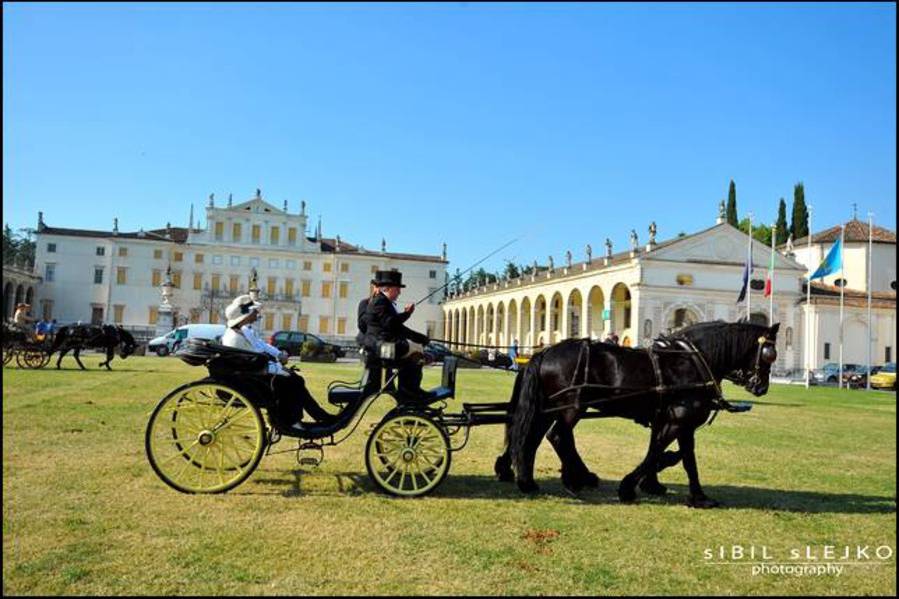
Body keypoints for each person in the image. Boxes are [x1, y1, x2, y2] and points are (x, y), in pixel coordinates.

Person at [222, 294, 335, 430]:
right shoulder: (236, 339)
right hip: (253, 377)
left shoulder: (242, 332)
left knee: (295, 379)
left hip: (255, 372)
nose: (257, 313)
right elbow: (256, 361)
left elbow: (259, 351)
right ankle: (293, 421)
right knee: (293, 381)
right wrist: (280, 369)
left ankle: (317, 416)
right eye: (254, 311)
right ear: (245, 316)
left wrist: (278, 361)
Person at [361, 270, 431, 401]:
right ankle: (410, 391)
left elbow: (395, 325)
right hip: (381, 347)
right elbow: (393, 325)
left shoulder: (382, 302)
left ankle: (408, 389)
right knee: (417, 351)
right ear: (387, 288)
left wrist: (418, 335)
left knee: (415, 348)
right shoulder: (380, 302)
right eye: (397, 289)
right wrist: (420, 338)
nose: (399, 292)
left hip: (379, 345)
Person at [356, 283, 384, 397]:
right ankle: (371, 384)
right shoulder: (365, 303)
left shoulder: (386, 305)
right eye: (378, 287)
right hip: (367, 339)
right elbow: (362, 325)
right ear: (374, 288)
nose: (380, 290)